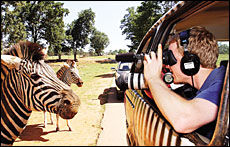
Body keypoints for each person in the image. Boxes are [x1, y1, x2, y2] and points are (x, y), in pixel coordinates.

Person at [143, 26, 226, 140]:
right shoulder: (203, 87)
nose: (166, 65)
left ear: (190, 61)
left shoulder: (224, 84)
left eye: (170, 58)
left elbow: (183, 120)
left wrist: (153, 79)